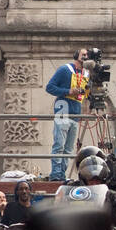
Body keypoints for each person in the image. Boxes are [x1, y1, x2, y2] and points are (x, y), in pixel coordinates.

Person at [45, 50, 88, 180]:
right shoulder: (65, 69)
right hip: (63, 109)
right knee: (59, 145)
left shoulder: (85, 73)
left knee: (68, 149)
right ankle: (56, 175)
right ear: (76, 55)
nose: (86, 57)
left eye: (87, 55)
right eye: (84, 54)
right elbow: (50, 87)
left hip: (75, 113)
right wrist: (68, 91)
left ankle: (62, 174)